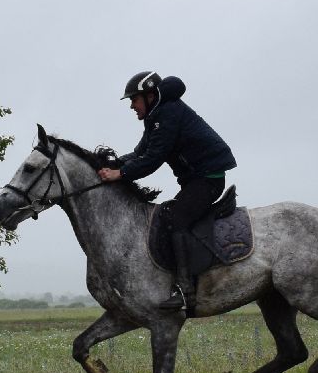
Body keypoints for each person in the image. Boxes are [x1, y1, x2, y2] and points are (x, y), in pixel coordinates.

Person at [98, 71, 237, 312]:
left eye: (134, 99)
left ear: (149, 96)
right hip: (196, 180)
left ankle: (185, 291)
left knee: (175, 218)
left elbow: (153, 159)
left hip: (208, 179)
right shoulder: (155, 117)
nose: (132, 105)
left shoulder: (168, 113)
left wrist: (120, 174)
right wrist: (116, 163)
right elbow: (141, 152)